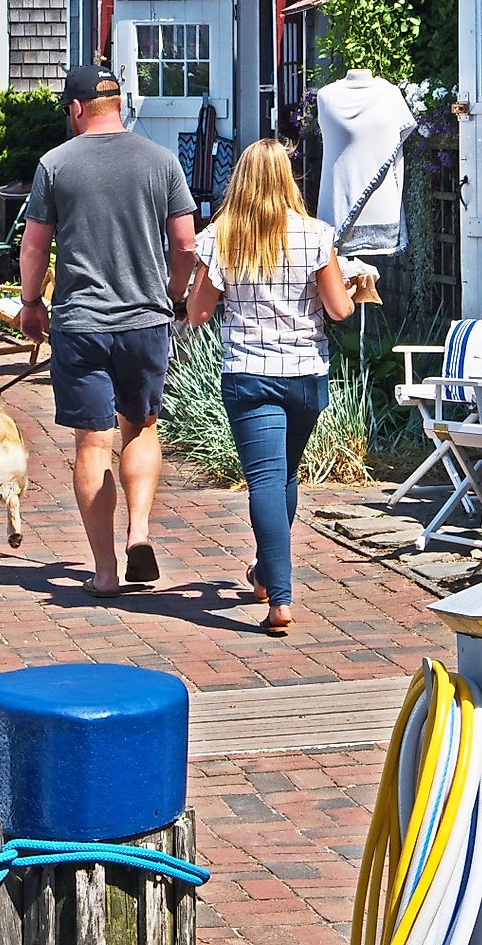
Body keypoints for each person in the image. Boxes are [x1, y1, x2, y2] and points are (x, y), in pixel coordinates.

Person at [18, 65, 196, 597]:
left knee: (92, 444)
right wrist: (174, 296)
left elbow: (34, 246)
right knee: (140, 428)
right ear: (119, 104)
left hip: (81, 320)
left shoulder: (55, 165)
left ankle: (103, 570)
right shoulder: (161, 161)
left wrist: (30, 303)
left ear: (75, 109)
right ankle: (139, 531)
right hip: (145, 319)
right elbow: (186, 245)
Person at [184, 139, 357, 636]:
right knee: (284, 478)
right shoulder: (315, 235)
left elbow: (197, 313)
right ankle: (265, 576)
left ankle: (279, 598)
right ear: (286, 178)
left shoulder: (221, 236)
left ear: (240, 179)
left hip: (250, 372)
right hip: (304, 373)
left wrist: (203, 272)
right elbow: (340, 310)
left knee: (265, 480)